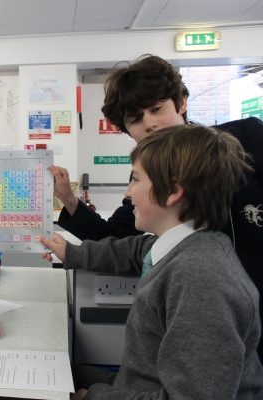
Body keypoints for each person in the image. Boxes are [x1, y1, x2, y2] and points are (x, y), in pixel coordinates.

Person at [53, 54, 263, 359]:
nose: (150, 124)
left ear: (182, 103)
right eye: (136, 119)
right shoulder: (147, 176)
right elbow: (118, 236)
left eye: (157, 109)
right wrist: (69, 200)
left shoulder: (245, 141)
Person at [42, 125, 263, 399]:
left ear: (172, 191)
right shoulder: (184, 245)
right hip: (142, 384)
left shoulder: (201, 279)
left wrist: (92, 397)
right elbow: (137, 249)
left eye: (135, 180)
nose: (127, 193)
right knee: (48, 367)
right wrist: (71, 253)